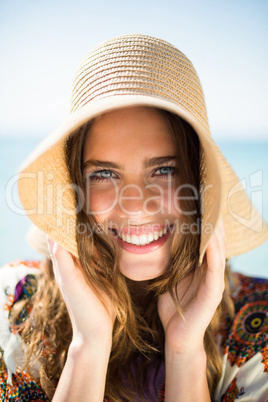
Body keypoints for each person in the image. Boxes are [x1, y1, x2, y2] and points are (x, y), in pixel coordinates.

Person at [0, 34, 267, 401]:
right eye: (104, 174)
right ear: (75, 189)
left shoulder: (259, 323)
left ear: (201, 183)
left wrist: (184, 350)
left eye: (165, 170)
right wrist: (88, 345)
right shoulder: (11, 304)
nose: (136, 205)